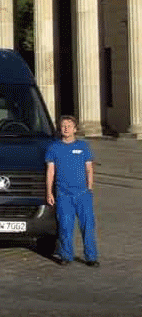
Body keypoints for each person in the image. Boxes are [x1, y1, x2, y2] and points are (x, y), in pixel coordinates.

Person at [46, 114, 99, 266]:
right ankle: (66, 256)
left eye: (69, 126)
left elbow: (89, 168)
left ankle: (91, 257)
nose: (66, 128)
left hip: (83, 194)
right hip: (63, 195)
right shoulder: (54, 148)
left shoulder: (83, 147)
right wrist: (49, 192)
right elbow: (51, 172)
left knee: (87, 226)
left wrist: (89, 187)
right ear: (60, 128)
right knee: (65, 226)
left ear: (75, 129)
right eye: (63, 126)